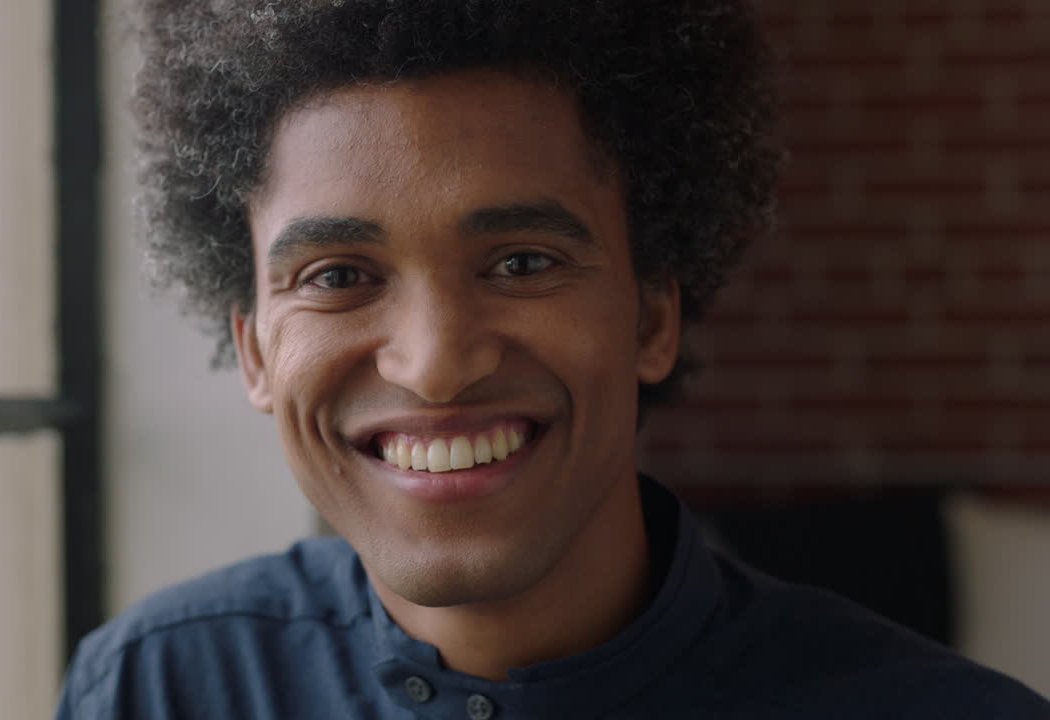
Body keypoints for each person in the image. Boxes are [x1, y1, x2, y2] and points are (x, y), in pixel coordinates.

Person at [57, 1, 1050, 717]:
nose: (435, 364)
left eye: (520, 261)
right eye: (336, 276)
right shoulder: (161, 685)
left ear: (652, 315)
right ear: (254, 351)